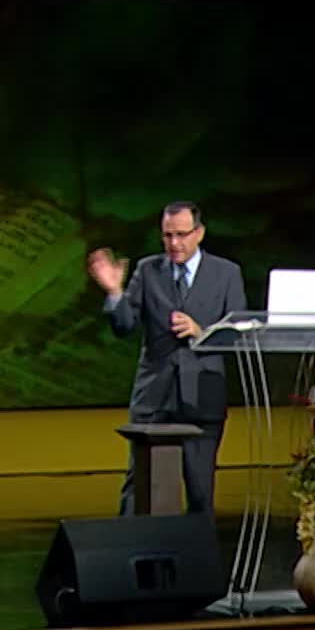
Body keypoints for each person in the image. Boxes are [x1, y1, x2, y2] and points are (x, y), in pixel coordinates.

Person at [87, 201, 247, 516]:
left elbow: (237, 335)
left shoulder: (226, 273)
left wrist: (201, 332)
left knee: (200, 493)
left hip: (201, 397)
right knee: (139, 492)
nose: (174, 243)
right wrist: (115, 293)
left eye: (181, 235)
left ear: (199, 233)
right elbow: (124, 327)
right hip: (154, 398)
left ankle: (196, 549)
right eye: (167, 235)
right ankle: (132, 547)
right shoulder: (148, 271)